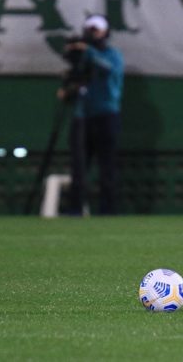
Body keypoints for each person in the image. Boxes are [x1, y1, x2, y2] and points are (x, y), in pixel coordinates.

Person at [57, 14, 124, 216]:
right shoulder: (84, 57)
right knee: (79, 166)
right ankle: (75, 208)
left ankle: (107, 209)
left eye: (96, 29)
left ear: (105, 32)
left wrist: (89, 52)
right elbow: (74, 79)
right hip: (82, 116)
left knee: (107, 166)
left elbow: (109, 69)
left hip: (106, 115)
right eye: (89, 29)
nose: (92, 33)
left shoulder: (112, 55)